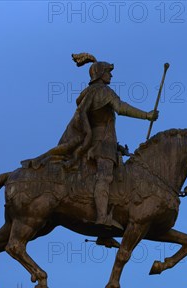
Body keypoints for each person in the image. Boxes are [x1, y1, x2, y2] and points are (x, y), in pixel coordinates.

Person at [23, 53, 158, 231]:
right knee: (106, 176)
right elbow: (121, 108)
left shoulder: (90, 94)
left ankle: (106, 228)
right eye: (108, 71)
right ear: (101, 74)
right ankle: (102, 217)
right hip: (102, 146)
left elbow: (99, 125)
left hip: (102, 143)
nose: (111, 75)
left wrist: (117, 147)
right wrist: (147, 115)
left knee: (117, 180)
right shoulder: (103, 91)